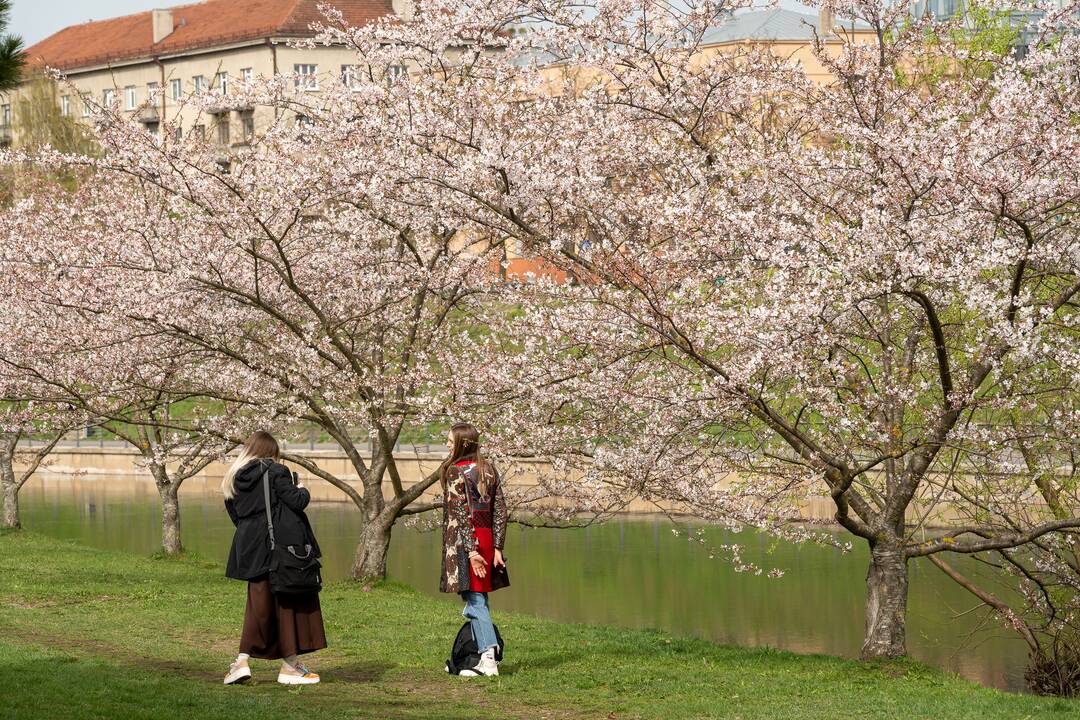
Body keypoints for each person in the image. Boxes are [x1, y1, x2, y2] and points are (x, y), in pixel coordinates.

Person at [221, 430, 326, 685]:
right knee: (288, 602)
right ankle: (290, 666)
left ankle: (241, 662)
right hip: (279, 549)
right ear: (271, 452)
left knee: (258, 606)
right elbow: (296, 501)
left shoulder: (235, 476)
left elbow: (234, 511)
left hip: (251, 549)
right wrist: (303, 489)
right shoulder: (276, 471)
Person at [439, 422, 509, 677]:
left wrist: (471, 551)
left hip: (466, 541)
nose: (447, 444)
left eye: (450, 440)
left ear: (461, 444)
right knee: (478, 598)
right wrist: (498, 547)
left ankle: (489, 658)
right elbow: (500, 510)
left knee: (475, 599)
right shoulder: (489, 469)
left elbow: (459, 513)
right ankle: (484, 654)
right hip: (487, 538)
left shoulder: (456, 471)